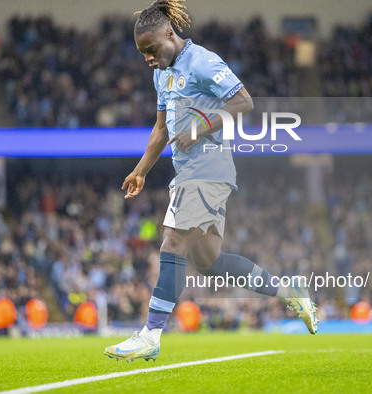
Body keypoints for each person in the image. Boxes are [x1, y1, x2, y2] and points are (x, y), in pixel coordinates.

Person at [105, 0, 318, 362]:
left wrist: (201, 125)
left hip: (209, 169)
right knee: (208, 262)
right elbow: (161, 128)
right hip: (189, 172)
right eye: (143, 54)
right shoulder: (162, 72)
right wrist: (141, 169)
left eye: (152, 50)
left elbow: (244, 102)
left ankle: (151, 334)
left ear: (170, 34)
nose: (149, 59)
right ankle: (290, 290)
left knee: (172, 241)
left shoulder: (202, 61)